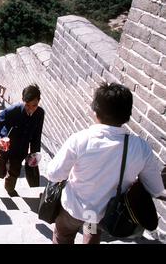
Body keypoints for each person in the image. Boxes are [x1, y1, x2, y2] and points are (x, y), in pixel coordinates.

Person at [47, 83, 166, 244]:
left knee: (64, 236)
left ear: (95, 111)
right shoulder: (141, 148)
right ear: (128, 115)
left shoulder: (80, 140)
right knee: (91, 231)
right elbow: (156, 188)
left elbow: (54, 174)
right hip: (101, 214)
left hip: (74, 209)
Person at [0, 84, 45, 196]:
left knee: (14, 173)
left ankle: (10, 189)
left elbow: (37, 135)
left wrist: (34, 154)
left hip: (20, 150)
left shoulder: (40, 114)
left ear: (38, 101)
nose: (31, 109)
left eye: (34, 105)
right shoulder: (13, 110)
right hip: (3, 146)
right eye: (27, 105)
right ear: (22, 100)